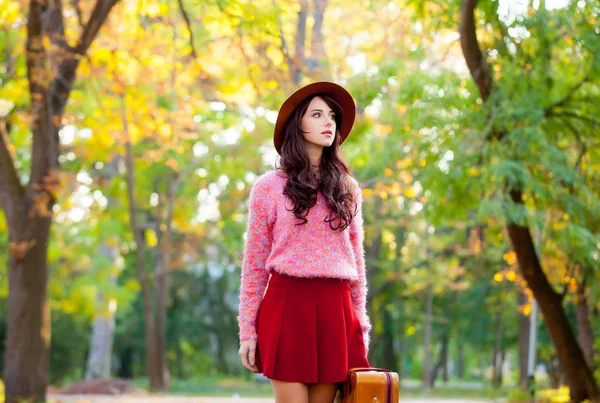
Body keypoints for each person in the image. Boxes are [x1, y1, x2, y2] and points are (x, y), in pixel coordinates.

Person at [237, 82, 371, 403]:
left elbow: (357, 261)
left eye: (332, 116)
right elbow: (254, 264)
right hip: (287, 305)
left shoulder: (346, 188)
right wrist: (247, 332)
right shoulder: (268, 187)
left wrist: (360, 325)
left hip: (335, 310)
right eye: (317, 114)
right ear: (298, 125)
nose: (328, 122)